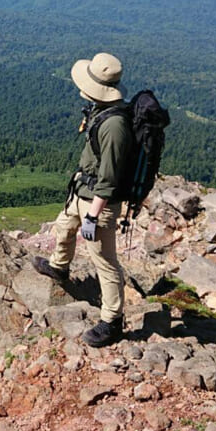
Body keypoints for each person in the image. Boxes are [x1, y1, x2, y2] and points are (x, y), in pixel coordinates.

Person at [32, 52, 135, 347]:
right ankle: (59, 266)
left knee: (104, 260)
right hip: (82, 192)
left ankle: (112, 321)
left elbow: (110, 177)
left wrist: (93, 215)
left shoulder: (115, 125)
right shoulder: (101, 111)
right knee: (63, 226)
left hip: (97, 203)